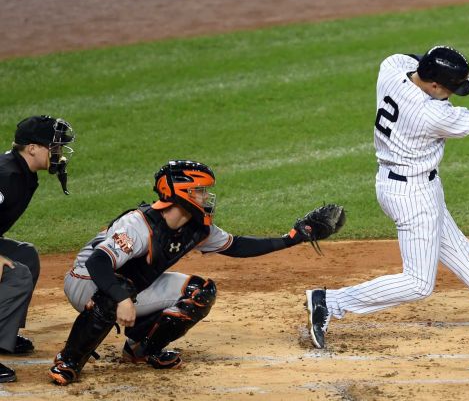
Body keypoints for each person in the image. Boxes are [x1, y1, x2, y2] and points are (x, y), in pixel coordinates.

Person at [305, 46, 469, 349]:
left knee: (460, 252)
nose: (455, 93)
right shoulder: (430, 113)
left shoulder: (392, 68)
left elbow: (415, 57)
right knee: (419, 284)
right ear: (433, 85)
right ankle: (330, 301)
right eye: (451, 88)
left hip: (409, 184)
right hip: (411, 194)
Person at [48, 160, 342, 385]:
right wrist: (120, 297)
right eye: (199, 190)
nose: (206, 196)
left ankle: (141, 348)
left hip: (130, 285)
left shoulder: (196, 226)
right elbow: (98, 262)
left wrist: (293, 238)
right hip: (85, 282)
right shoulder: (138, 226)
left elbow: (236, 245)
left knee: (200, 292)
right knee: (117, 293)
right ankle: (68, 361)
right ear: (180, 192)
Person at [0, 115, 75, 383]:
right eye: (53, 147)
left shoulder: (22, 172)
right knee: (15, 273)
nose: (58, 153)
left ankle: (2, 335)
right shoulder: (6, 175)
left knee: (25, 255)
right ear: (32, 148)